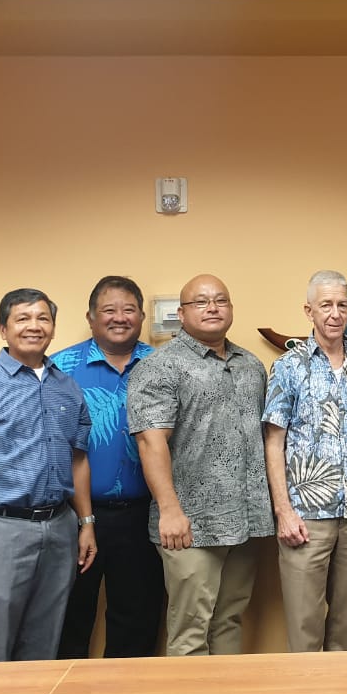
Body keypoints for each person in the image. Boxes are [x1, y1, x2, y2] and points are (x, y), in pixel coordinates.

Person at [0, 288, 97, 662]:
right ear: (3, 329)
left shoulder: (67, 387)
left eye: (42, 318)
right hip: (0, 530)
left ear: (53, 328)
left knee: (45, 642)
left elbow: (78, 459)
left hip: (59, 528)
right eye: (22, 318)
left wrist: (86, 522)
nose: (33, 326)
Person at [127, 274, 273, 656]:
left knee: (229, 620)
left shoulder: (251, 365)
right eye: (201, 302)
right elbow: (150, 440)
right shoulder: (160, 367)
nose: (212, 308)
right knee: (190, 632)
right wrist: (170, 511)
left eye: (220, 300)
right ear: (181, 313)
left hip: (244, 522)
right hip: (190, 524)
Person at [262, 270, 347, 652]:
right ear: (309, 311)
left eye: (342, 305)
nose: (335, 314)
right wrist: (283, 511)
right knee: (304, 632)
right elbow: (274, 441)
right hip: (305, 517)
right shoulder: (288, 367)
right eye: (326, 306)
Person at [52, 276, 163, 659]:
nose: (120, 318)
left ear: (142, 316)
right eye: (109, 310)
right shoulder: (60, 368)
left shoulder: (162, 365)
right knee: (69, 617)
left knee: (137, 619)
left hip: (143, 516)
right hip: (72, 517)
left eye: (129, 309)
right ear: (90, 317)